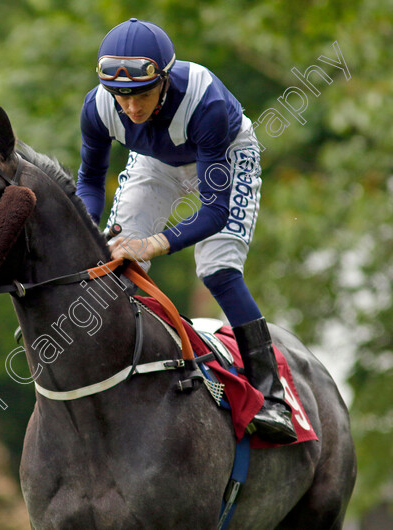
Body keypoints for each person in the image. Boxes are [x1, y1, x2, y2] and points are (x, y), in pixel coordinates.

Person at [76, 18, 296, 444]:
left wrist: (153, 244)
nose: (132, 109)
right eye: (120, 96)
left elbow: (214, 213)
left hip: (224, 157)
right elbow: (89, 182)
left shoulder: (205, 102)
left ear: (164, 77)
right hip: (155, 163)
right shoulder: (97, 107)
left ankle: (273, 396)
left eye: (141, 93)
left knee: (217, 269)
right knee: (115, 257)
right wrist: (88, 241)